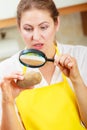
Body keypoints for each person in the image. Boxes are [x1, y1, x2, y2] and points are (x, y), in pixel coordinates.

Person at [0, 0, 87, 129]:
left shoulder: (82, 56)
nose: (36, 36)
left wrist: (76, 80)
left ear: (56, 23)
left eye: (43, 27)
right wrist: (7, 102)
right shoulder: (6, 70)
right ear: (19, 28)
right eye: (28, 29)